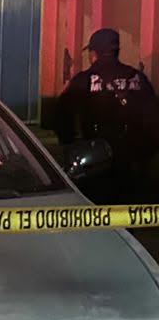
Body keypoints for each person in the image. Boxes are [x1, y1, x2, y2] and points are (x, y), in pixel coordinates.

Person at [54, 28, 159, 202]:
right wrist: (144, 154)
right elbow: (153, 118)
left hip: (95, 163)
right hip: (131, 166)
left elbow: (61, 116)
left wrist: (71, 145)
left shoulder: (84, 80)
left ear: (94, 53)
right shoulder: (138, 78)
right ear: (117, 51)